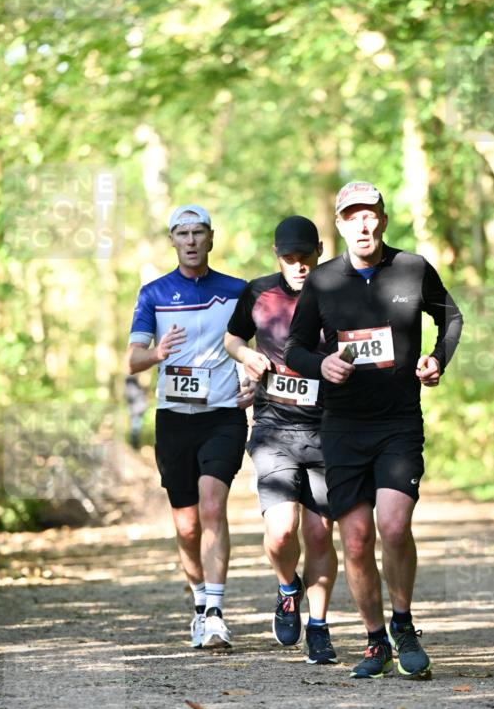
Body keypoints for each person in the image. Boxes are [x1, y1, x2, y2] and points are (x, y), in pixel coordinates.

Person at [285, 181, 463, 680]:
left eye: (370, 215)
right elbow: (296, 347)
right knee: (358, 539)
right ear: (339, 224)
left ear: (382, 220)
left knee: (394, 525)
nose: (362, 224)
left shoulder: (412, 268)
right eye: (352, 216)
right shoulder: (321, 282)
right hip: (342, 425)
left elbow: (451, 317)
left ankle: (404, 624)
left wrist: (437, 359)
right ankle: (373, 641)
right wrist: (322, 366)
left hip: (398, 422)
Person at [126, 204, 251, 651]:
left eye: (199, 232)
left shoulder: (239, 290)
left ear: (212, 238)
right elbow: (133, 361)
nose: (192, 240)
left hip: (223, 415)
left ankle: (217, 613)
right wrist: (159, 354)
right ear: (173, 241)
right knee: (187, 525)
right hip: (174, 419)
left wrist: (257, 381)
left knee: (213, 505)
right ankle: (200, 606)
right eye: (184, 233)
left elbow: (267, 346)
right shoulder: (153, 293)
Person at [224, 216, 339, 664]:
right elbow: (233, 337)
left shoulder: (337, 291)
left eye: (305, 257)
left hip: (328, 427)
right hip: (273, 425)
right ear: (277, 256)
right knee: (281, 532)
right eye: (289, 258)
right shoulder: (257, 292)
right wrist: (247, 355)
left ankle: (319, 626)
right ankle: (288, 586)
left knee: (319, 532)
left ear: (319, 252)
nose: (298, 266)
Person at [124, 375, 148, 450]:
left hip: (136, 410)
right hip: (139, 410)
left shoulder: (131, 388)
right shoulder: (138, 388)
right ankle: (134, 445)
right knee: (136, 428)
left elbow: (130, 398)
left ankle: (134, 446)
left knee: (135, 428)